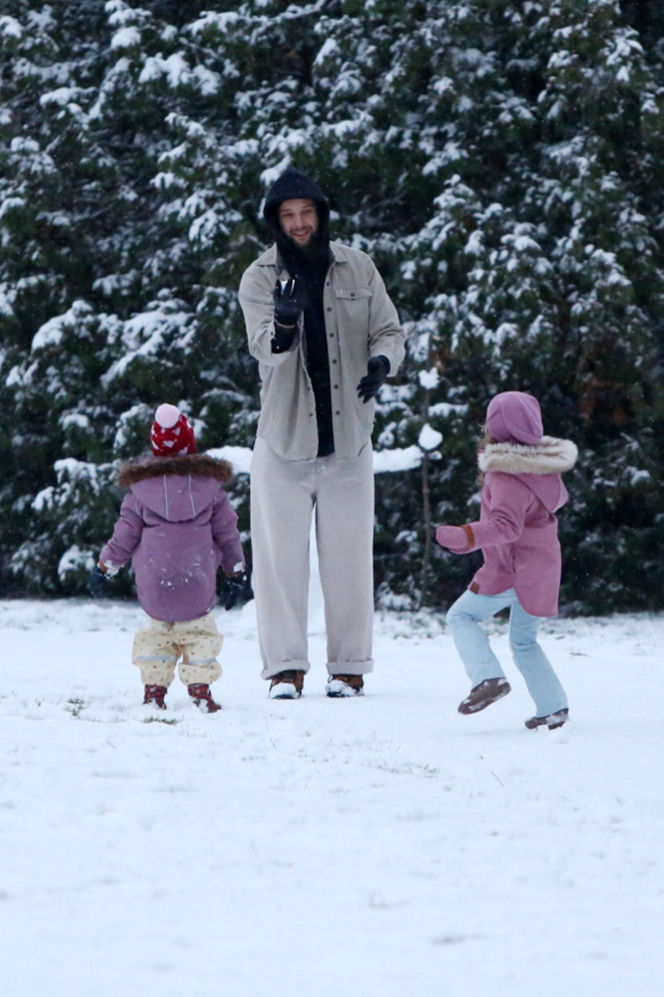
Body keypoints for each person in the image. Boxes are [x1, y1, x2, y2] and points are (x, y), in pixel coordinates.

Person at [238, 167, 406, 699]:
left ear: (321, 214)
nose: (299, 223)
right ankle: (285, 669)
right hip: (283, 442)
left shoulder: (359, 267)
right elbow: (263, 347)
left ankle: (349, 666)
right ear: (276, 222)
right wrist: (285, 324)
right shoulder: (258, 278)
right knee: (278, 565)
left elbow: (388, 329)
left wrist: (382, 362)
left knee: (350, 560)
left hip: (349, 439)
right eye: (288, 215)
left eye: (306, 212)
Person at [436, 391, 577, 730]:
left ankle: (488, 678)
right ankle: (553, 707)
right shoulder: (542, 468)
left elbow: (506, 526)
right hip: (542, 565)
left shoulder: (508, 473)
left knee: (461, 616)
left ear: (497, 427)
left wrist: (465, 536)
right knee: (524, 641)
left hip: (513, 568)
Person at [95, 404, 245, 712]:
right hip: (197, 579)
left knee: (157, 636)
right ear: (189, 443)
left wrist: (104, 567)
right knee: (200, 634)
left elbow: (124, 536)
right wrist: (235, 572)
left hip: (154, 581)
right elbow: (227, 534)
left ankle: (154, 690)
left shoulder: (139, 492)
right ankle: (200, 688)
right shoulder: (211, 490)